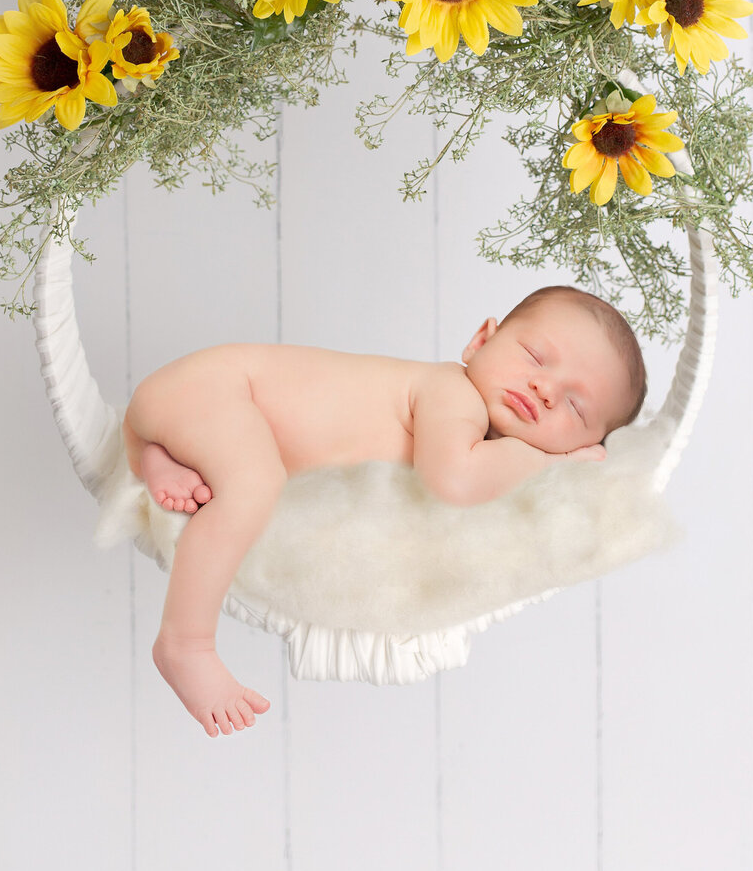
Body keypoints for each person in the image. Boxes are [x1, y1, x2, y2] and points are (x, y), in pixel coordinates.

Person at [121, 283, 646, 736]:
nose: (545, 389)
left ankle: (160, 456)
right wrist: (549, 462)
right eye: (535, 357)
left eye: (575, 407)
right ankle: (185, 642)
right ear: (481, 340)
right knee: (254, 483)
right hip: (222, 389)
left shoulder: (477, 434)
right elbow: (454, 479)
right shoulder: (451, 391)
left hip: (199, 413)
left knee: (246, 468)